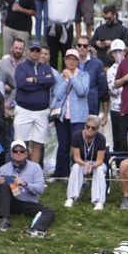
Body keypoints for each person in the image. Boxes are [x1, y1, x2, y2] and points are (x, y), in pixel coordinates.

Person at [0, 140, 55, 237]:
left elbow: (40, 189)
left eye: (22, 151)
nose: (19, 153)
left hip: (28, 203)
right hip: (11, 202)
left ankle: (36, 229)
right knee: (4, 183)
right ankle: (4, 220)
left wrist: (24, 184)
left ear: (26, 153)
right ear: (11, 154)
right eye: (15, 151)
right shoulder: (3, 168)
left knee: (49, 212)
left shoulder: (35, 167)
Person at [14, 41, 55, 164]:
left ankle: (34, 173)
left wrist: (34, 80)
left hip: (41, 111)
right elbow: (22, 84)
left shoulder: (46, 68)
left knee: (38, 144)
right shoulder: (21, 66)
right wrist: (42, 84)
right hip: (24, 110)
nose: (35, 53)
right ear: (28, 51)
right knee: (21, 144)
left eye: (38, 50)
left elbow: (51, 81)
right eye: (33, 50)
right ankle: (21, 171)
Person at [51, 48, 90, 178]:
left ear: (78, 61)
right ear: (65, 60)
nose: (71, 62)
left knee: (77, 145)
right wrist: (66, 80)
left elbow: (82, 91)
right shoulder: (59, 77)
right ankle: (62, 173)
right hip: (62, 116)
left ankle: (78, 174)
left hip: (78, 117)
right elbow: (57, 94)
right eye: (69, 59)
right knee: (63, 145)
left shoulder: (84, 75)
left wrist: (72, 77)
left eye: (74, 59)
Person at [64, 115, 107, 211]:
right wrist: (85, 164)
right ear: (85, 126)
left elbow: (100, 160)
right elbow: (76, 158)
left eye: (93, 128)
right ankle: (71, 197)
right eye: (88, 127)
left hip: (96, 163)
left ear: (98, 129)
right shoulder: (76, 136)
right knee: (75, 167)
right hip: (82, 162)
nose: (90, 129)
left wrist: (92, 166)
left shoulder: (101, 139)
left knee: (99, 169)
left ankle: (99, 201)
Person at [75, 36, 109, 118]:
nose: (82, 48)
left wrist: (93, 97)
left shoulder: (97, 64)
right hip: (74, 106)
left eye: (85, 46)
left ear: (89, 47)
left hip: (91, 106)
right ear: (76, 46)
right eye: (79, 45)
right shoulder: (71, 61)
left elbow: (102, 88)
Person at [47, 0, 78, 70]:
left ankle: (66, 78)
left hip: (66, 27)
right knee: (52, 55)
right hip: (52, 26)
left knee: (67, 55)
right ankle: (53, 77)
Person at [106, 39, 125, 151]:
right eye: (115, 51)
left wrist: (120, 83)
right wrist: (125, 81)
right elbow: (114, 90)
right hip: (116, 108)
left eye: (120, 50)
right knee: (117, 140)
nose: (117, 53)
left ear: (124, 51)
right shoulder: (111, 70)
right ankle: (118, 166)